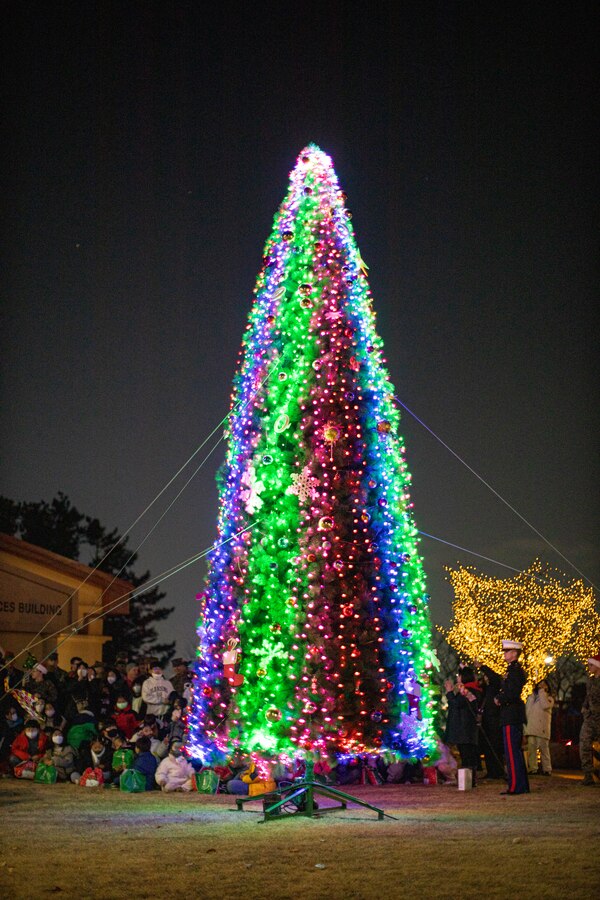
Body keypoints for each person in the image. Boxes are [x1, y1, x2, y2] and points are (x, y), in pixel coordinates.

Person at [482, 640, 529, 795]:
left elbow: (512, 692)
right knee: (514, 752)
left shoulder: (514, 671)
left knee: (512, 752)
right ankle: (521, 785)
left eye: (507, 651)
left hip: (511, 714)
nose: (504, 654)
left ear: (514, 653)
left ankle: (515, 786)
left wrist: (500, 699)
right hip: (511, 714)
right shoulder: (512, 670)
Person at [444, 665, 482, 786]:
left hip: (464, 729)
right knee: (469, 755)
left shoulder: (467, 691)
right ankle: (470, 780)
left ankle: (468, 781)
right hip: (468, 729)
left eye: (459, 675)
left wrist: (449, 692)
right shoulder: (472, 689)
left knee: (467, 756)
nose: (457, 678)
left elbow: (456, 704)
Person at [525, 679, 554, 775]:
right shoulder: (532, 697)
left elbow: (545, 705)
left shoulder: (549, 698)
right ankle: (533, 768)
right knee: (531, 749)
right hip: (531, 726)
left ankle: (547, 769)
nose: (541, 686)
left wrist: (542, 692)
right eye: (540, 684)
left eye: (544, 684)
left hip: (542, 727)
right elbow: (527, 711)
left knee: (544, 749)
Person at [579, 653, 600, 786]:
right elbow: (588, 696)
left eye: (591, 665)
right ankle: (588, 775)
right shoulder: (590, 681)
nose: (589, 667)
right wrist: (584, 708)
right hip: (590, 718)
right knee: (584, 744)